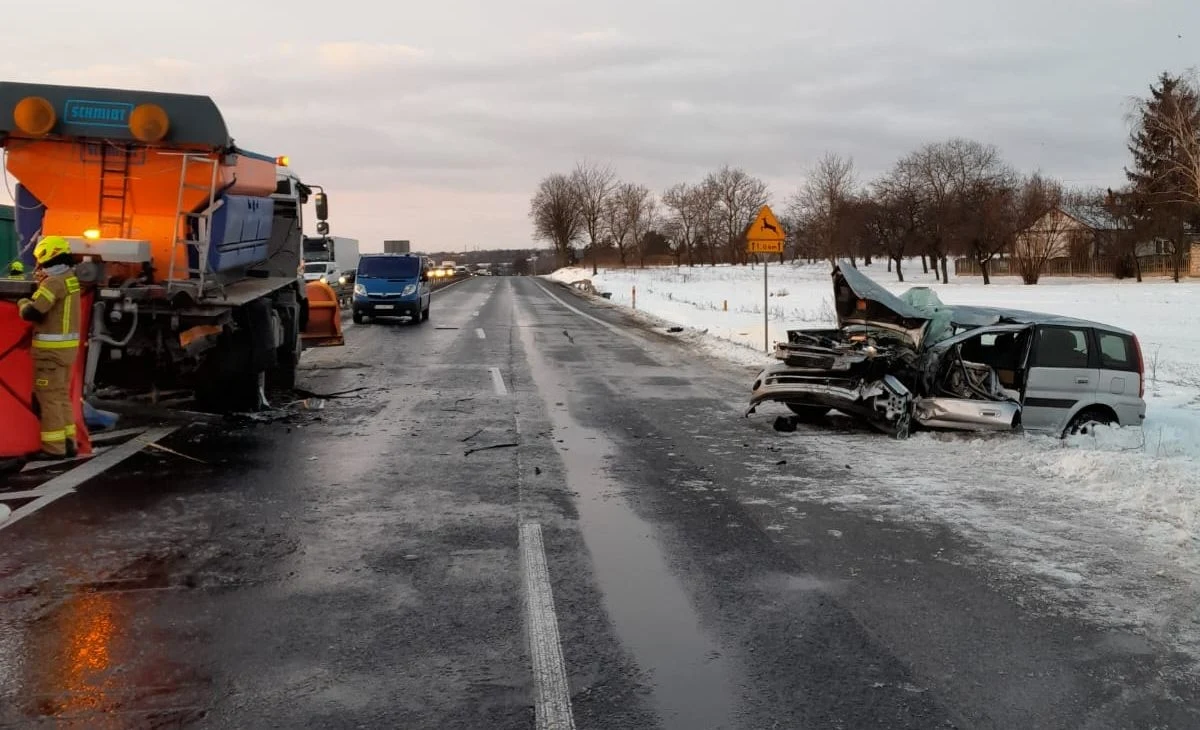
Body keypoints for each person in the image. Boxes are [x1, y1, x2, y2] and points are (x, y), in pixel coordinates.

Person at [16, 236, 81, 458]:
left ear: (47, 255)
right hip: (65, 352)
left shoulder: (53, 282)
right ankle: (69, 443)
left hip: (50, 354)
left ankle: (54, 449)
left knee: (48, 399)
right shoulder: (70, 278)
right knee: (61, 396)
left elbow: (33, 312)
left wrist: (23, 302)